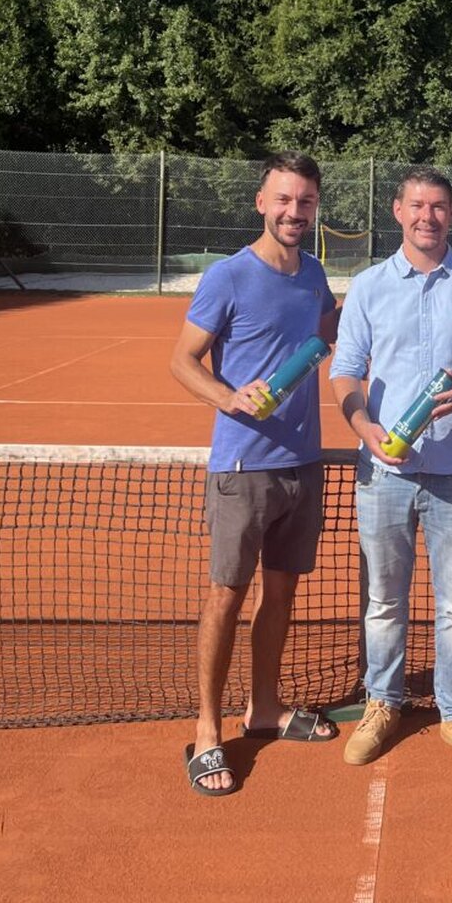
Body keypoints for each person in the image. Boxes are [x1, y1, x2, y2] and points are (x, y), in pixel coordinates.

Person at [329, 165, 452, 772]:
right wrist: (366, 431)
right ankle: (383, 703)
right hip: (384, 474)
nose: (427, 216)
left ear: (451, 213)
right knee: (384, 601)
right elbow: (345, 374)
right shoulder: (366, 287)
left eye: (438, 206)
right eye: (417, 205)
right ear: (397, 211)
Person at [171, 152, 339, 796]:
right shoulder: (228, 276)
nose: (294, 212)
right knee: (226, 596)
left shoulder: (314, 273)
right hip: (243, 465)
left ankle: (264, 709)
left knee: (282, 594)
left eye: (305, 202)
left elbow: (325, 333)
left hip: (304, 462)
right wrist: (229, 397)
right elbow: (183, 360)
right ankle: (209, 731)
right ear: (261, 203)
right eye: (283, 200)